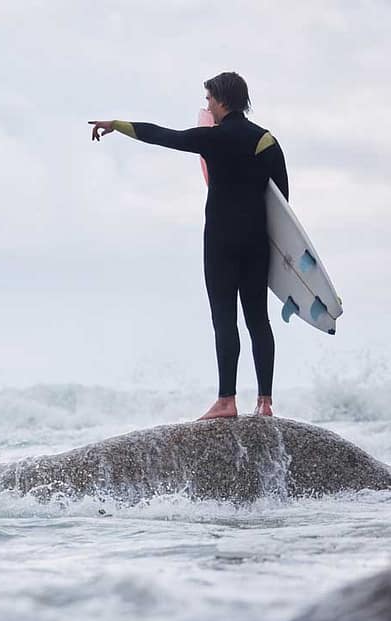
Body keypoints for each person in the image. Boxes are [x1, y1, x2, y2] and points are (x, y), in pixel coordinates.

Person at [88, 72, 288, 420]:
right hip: (256, 242)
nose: (207, 105)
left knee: (224, 317)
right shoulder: (266, 141)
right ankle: (265, 402)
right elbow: (282, 201)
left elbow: (163, 136)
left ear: (222, 100)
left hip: (221, 240)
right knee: (258, 319)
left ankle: (227, 401)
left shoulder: (213, 139)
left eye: (209, 98)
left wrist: (117, 125)